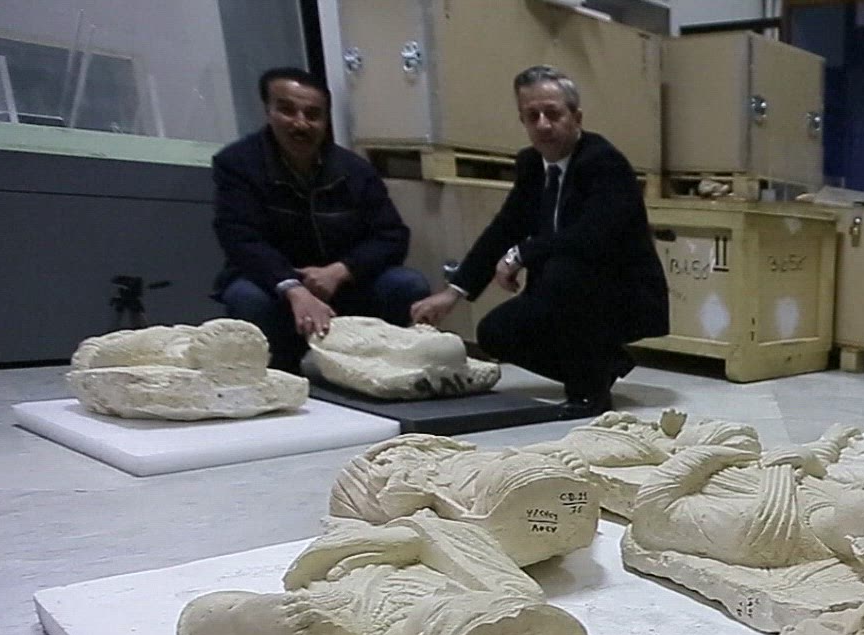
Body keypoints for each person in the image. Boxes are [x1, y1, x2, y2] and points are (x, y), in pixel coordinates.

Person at [411, 65, 669, 417]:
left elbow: (592, 236)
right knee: (495, 332)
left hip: (620, 294)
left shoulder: (604, 162)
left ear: (576, 117)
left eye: (553, 113)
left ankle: (589, 392)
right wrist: (454, 292)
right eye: (532, 116)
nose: (543, 125)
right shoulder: (531, 164)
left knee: (567, 270)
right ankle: (603, 364)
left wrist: (521, 254)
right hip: (560, 290)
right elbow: (505, 227)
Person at [211, 68, 429, 372]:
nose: (300, 123)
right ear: (268, 111)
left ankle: (382, 374)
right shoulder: (237, 164)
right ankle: (277, 378)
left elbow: (392, 235)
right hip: (272, 283)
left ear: (326, 120)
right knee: (246, 298)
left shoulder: (355, 170)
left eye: (312, 115)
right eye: (287, 110)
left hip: (342, 283)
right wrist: (293, 288)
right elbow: (240, 239)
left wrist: (340, 271)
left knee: (408, 285)